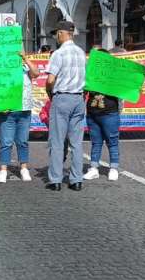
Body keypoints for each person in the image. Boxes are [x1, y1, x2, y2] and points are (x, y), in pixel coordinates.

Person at [45, 20, 87, 192]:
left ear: (62, 33)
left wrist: (50, 93)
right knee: (76, 142)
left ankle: (55, 180)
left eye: (57, 34)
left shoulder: (58, 54)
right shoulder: (81, 53)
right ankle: (76, 179)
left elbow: (50, 80)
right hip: (78, 99)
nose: (56, 36)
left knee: (57, 140)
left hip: (62, 98)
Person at [0, 52, 41, 183]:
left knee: (23, 141)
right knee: (6, 142)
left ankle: (24, 168)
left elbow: (36, 73)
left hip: (24, 110)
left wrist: (25, 59)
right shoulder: (0, 69)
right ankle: (3, 169)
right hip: (7, 111)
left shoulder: (25, 68)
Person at [84, 45, 124, 182]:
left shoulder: (114, 75)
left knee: (112, 142)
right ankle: (94, 168)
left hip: (109, 113)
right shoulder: (89, 74)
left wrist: (118, 112)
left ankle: (113, 168)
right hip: (92, 113)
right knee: (96, 142)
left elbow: (122, 94)